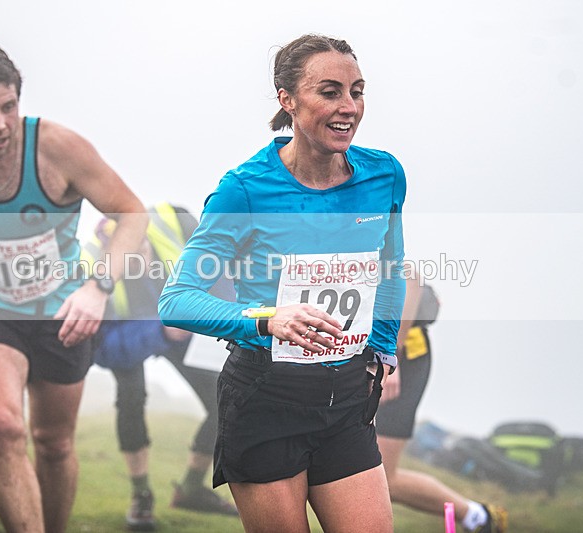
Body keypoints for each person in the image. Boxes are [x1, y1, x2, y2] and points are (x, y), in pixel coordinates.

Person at [159, 34, 405, 533]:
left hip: (346, 399)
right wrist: (267, 320)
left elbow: (391, 266)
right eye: (330, 92)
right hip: (265, 398)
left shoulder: (384, 175)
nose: (349, 107)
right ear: (287, 100)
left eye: (357, 91)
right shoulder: (246, 189)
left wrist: (381, 351)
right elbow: (177, 300)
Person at [0, 44, 146, 532]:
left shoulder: (58, 149)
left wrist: (99, 288)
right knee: (1, 427)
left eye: (8, 107)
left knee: (54, 443)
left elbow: (131, 214)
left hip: (62, 309)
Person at [84, 202, 238, 531]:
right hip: (129, 335)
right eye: (128, 261)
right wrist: (161, 329)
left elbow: (220, 271)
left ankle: (192, 488)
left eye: (140, 251)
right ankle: (141, 496)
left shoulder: (174, 219)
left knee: (226, 399)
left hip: (183, 325)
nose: (139, 263)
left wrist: (216, 317)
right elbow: (103, 349)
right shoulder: (91, 265)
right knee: (131, 396)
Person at [376, 275, 508, 532]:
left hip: (401, 358)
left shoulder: (372, 236)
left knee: (382, 478)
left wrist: (392, 355)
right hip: (362, 355)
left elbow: (410, 279)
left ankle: (480, 517)